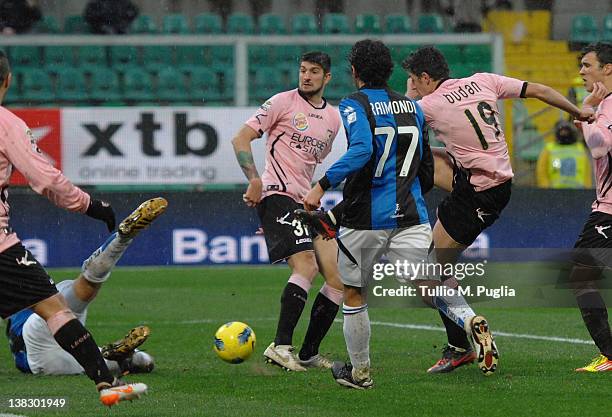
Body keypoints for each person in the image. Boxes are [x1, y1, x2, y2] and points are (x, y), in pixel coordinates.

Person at [300, 45, 593, 376]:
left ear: (425, 78)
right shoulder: (483, 80)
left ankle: (460, 338)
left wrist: (326, 190)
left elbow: (383, 146)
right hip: (488, 181)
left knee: (428, 280)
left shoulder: (428, 105)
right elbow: (538, 89)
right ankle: (459, 343)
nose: (413, 86)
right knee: (434, 264)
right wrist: (577, 111)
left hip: (478, 193)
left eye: (414, 80)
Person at [303, 39, 454, 389]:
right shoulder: (413, 106)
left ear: (354, 71)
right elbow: (426, 166)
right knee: (427, 283)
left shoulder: (354, 104)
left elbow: (361, 151)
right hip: (410, 211)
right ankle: (470, 318)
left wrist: (320, 185)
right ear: (389, 70)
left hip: (366, 216)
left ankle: (360, 374)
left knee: (353, 293)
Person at [0, 49, 146, 406]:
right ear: (8, 80)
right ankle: (106, 384)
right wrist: (92, 206)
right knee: (55, 309)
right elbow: (44, 178)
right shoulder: (6, 123)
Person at [231, 51, 344, 372]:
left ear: (327, 78)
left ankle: (308, 351)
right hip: (276, 194)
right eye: (303, 70)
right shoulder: (281, 102)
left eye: (314, 71)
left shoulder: (333, 120)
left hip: (306, 203)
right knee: (306, 266)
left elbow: (310, 163)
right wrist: (254, 179)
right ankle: (280, 346)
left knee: (338, 279)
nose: (306, 76)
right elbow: (240, 139)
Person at [6, 197, 167, 377]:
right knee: (83, 288)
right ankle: (121, 239)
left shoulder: (14, 303)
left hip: (43, 358)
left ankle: (116, 356)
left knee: (142, 362)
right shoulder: (31, 292)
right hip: (48, 330)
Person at [570, 42, 612, 372]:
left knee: (581, 275)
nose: (581, 71)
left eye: (587, 65)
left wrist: (586, 109)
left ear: (607, 68)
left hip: (609, 209)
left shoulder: (608, 104)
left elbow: (599, 148)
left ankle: (610, 354)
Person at [536, 120, 592, 189]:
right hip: (555, 192)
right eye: (562, 131)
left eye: (566, 131)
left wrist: (587, 189)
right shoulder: (549, 149)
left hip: (578, 192)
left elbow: (586, 172)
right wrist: (545, 189)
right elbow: (542, 171)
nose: (564, 134)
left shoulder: (580, 148)